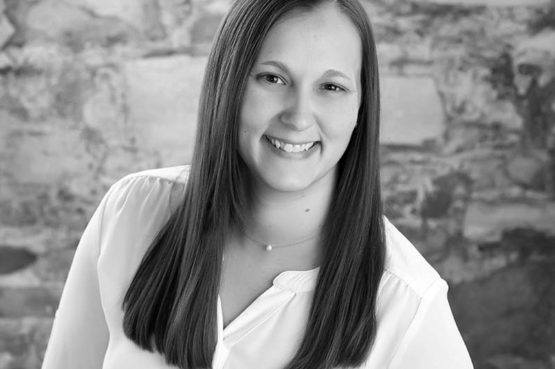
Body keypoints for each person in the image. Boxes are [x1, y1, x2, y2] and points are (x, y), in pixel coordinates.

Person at [41, 0, 474, 368]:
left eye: (331, 86)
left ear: (362, 105)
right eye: (273, 78)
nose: (299, 115)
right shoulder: (131, 212)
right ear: (228, 82)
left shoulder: (407, 302)